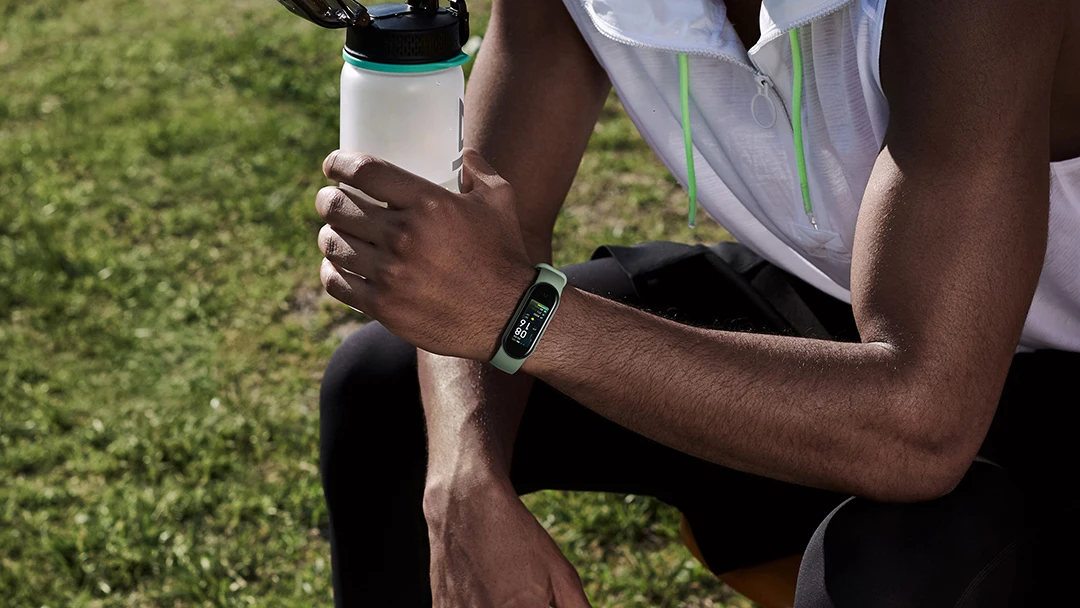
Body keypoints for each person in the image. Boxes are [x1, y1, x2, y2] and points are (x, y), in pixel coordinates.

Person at [314, 0, 1080, 605]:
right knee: (390, 395)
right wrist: (464, 479)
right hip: (856, 309)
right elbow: (491, 232)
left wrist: (522, 314)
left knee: (896, 566)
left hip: (1014, 381)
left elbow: (923, 426)